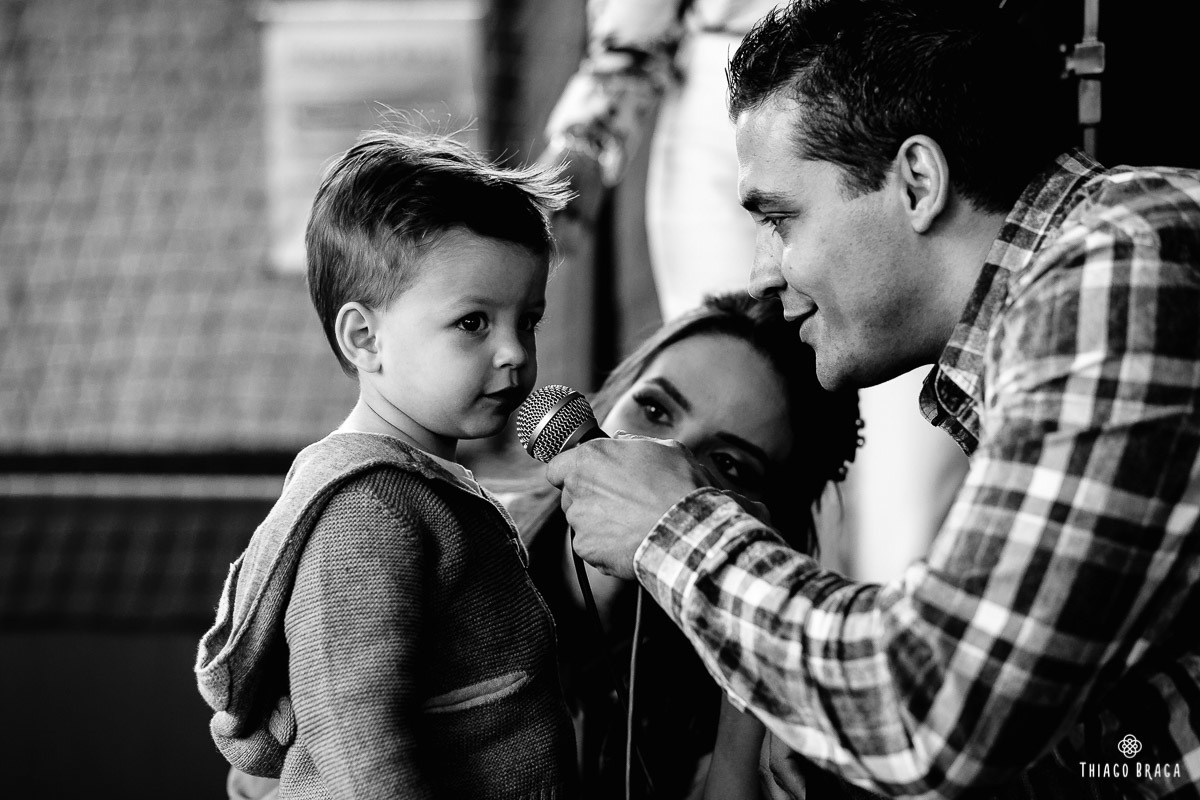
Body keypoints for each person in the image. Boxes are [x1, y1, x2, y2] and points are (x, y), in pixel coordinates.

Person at [544, 1, 1200, 798]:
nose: (766, 273)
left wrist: (673, 529)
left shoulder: (1121, 270)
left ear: (918, 182)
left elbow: (935, 714)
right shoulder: (1078, 276)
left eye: (782, 219)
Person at [194, 130, 579, 798]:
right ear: (365, 338)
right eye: (474, 324)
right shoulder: (365, 512)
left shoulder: (424, 488)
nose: (515, 352)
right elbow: (358, 745)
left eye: (529, 321)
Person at [493, 291, 865, 799]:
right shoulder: (449, 549)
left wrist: (749, 664)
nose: (661, 463)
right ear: (604, 400)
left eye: (729, 464)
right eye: (653, 408)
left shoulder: (745, 693)